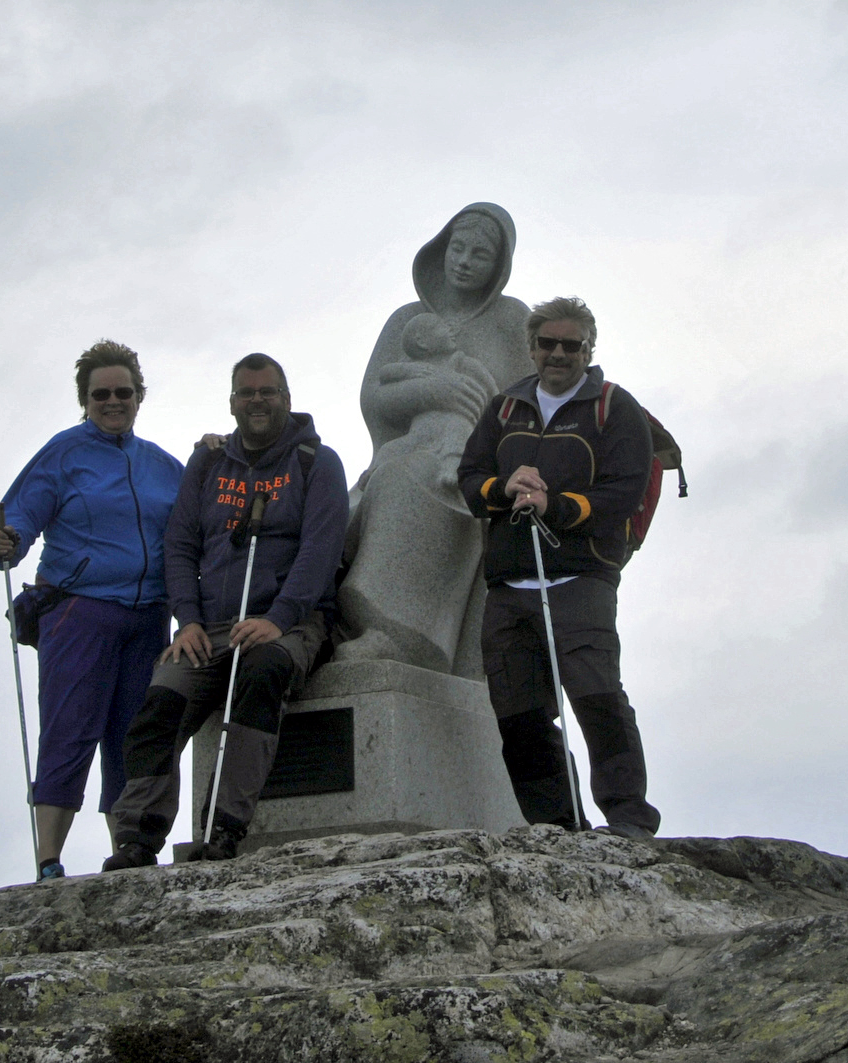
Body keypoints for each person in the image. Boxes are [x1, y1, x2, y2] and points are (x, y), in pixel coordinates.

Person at [104, 353, 348, 867]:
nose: (256, 400)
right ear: (231, 401)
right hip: (208, 625)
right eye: (246, 392)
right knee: (160, 703)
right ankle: (138, 837)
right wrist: (186, 620)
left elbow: (320, 551)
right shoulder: (209, 464)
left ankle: (223, 828)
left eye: (267, 391)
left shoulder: (316, 462)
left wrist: (278, 619)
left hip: (289, 623)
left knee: (260, 676)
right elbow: (180, 546)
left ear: (287, 398)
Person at [456, 297, 662, 839]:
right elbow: (470, 478)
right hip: (508, 584)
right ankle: (556, 823)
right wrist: (505, 488)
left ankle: (628, 818)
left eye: (572, 345)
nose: (559, 354)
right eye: (548, 343)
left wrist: (557, 506)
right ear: (531, 347)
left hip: (581, 578)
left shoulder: (615, 408)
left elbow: (623, 491)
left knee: (597, 697)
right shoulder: (504, 408)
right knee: (519, 716)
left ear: (589, 349)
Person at [0, 340, 185, 880]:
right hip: (79, 612)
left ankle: (126, 853)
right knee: (69, 730)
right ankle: (49, 860)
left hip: (149, 619)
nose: (113, 401)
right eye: (101, 394)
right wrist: (9, 539)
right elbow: (22, 512)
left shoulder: (167, 467)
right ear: (85, 399)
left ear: (140, 396)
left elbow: (196, 525)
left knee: (132, 739)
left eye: (123, 392)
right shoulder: (64, 453)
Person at [336, 203, 529, 676]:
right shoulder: (406, 320)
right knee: (354, 499)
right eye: (457, 248)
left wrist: (478, 412)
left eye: (479, 254)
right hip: (400, 451)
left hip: (477, 468)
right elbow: (373, 396)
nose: (464, 261)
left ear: (498, 266)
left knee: (421, 480)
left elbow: (527, 407)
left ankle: (402, 635)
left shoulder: (511, 320)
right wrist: (435, 389)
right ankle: (333, 622)